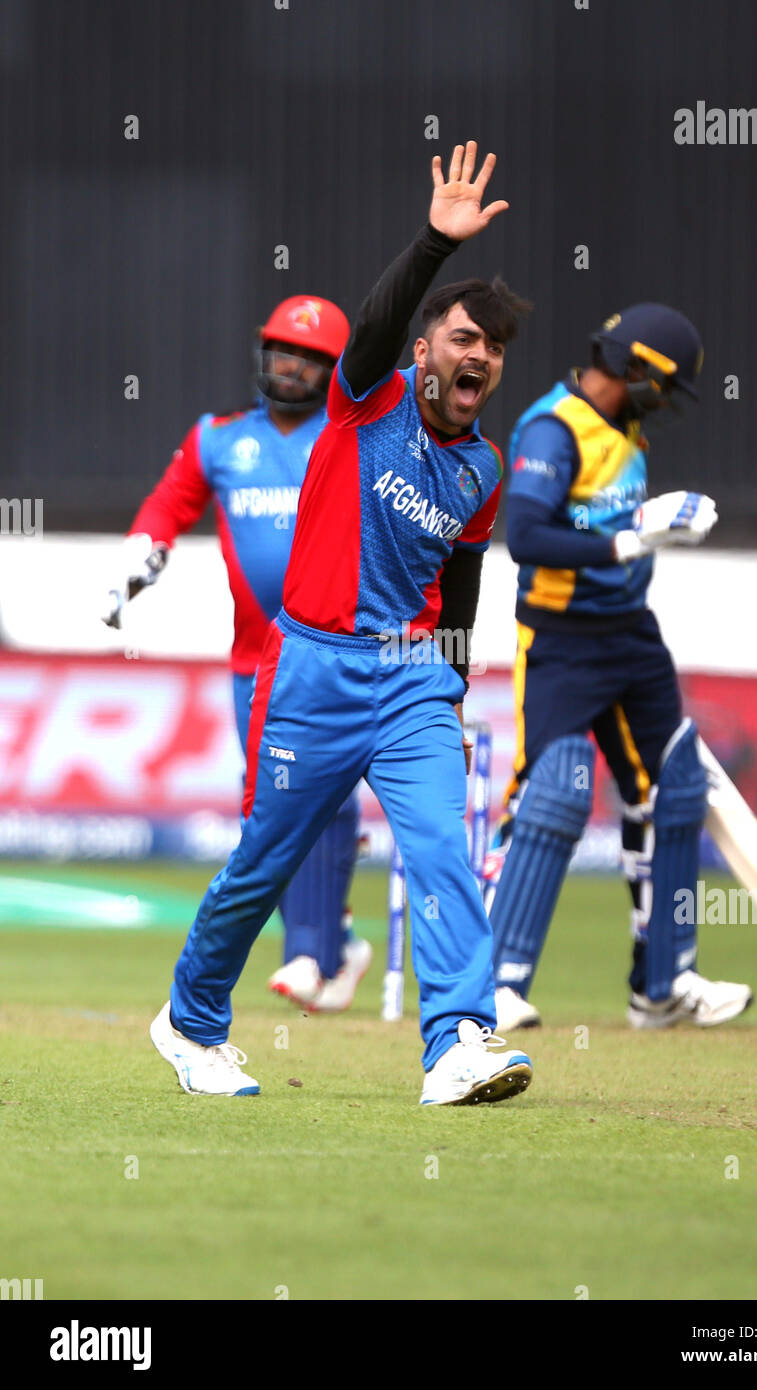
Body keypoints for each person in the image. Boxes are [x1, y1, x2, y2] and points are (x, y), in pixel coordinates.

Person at [149, 141, 535, 1105]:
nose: (476, 354)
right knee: (265, 864)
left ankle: (455, 1045)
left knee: (443, 848)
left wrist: (451, 687)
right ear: (423, 352)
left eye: (490, 347)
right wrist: (432, 248)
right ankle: (190, 1023)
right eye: (460, 338)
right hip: (314, 668)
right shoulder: (369, 400)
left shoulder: (484, 469)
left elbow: (463, 578)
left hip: (411, 678)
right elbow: (371, 327)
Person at [102, 296, 373, 1013]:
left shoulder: (352, 436)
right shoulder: (219, 439)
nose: (291, 366)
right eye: (283, 351)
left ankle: (311, 956)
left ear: (335, 370)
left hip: (336, 653)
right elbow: (170, 503)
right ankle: (335, 939)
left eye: (311, 358)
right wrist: (142, 552)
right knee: (267, 808)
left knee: (323, 791)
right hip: (254, 661)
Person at [488, 304, 754, 1031]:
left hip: (631, 638)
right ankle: (495, 986)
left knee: (675, 788)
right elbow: (529, 536)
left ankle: (663, 985)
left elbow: (614, 522)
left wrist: (662, 520)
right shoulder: (553, 428)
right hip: (561, 639)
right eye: (662, 386)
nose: (664, 404)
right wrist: (633, 538)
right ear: (633, 368)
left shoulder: (625, 429)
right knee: (557, 793)